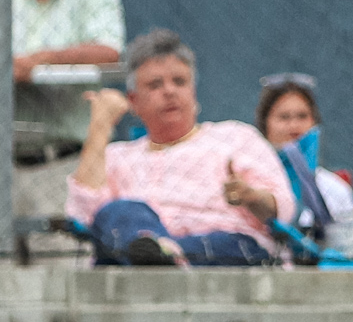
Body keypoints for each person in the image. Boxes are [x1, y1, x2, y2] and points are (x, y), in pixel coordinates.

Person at [66, 29, 294, 266]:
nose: (169, 91)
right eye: (155, 85)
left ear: (193, 93)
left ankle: (166, 256)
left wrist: (252, 196)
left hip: (224, 249)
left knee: (230, 243)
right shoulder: (118, 156)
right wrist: (100, 126)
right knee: (119, 211)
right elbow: (83, 215)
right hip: (137, 253)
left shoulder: (235, 137)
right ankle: (159, 254)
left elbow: (283, 210)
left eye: (179, 81)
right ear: (133, 101)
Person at [11, 0, 124, 217]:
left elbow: (108, 52)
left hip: (64, 161)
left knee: (60, 260)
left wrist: (38, 62)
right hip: (5, 163)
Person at [255, 74, 353, 247]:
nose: (294, 126)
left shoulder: (335, 189)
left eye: (302, 116)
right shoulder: (251, 186)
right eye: (284, 117)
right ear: (265, 125)